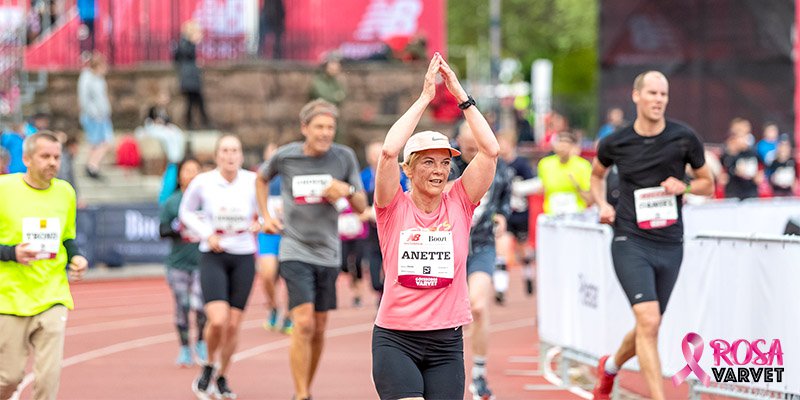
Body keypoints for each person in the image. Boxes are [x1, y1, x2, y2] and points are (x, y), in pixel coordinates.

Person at [371, 53, 498, 400]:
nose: (439, 170)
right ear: (409, 169)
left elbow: (490, 150)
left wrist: (461, 95)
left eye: (444, 162)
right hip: (396, 340)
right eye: (428, 162)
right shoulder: (392, 206)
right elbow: (387, 152)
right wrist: (425, 97)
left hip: (446, 344)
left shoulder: (459, 200)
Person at [589, 71, 714, 400]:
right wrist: (602, 204)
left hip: (670, 243)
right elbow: (597, 176)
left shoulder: (684, 138)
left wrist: (684, 185)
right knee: (648, 318)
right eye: (653, 93)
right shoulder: (616, 141)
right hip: (629, 238)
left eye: (663, 94)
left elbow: (708, 184)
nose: (659, 99)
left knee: (650, 323)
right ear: (636, 96)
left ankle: (610, 367)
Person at [256, 99, 367, 400]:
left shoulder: (344, 157)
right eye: (319, 127)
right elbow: (261, 178)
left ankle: (307, 386)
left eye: (330, 127)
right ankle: (301, 394)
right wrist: (266, 216)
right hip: (294, 248)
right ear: (304, 128)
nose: (325, 133)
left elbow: (362, 206)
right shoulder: (286, 156)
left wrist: (347, 190)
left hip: (328, 252)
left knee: (318, 327)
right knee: (302, 322)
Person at [0, 132, 88, 400]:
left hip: (53, 294)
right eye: (45, 156)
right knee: (10, 378)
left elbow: (67, 236)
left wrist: (76, 257)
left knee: (48, 379)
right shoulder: (4, 190)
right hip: (10, 297)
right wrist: (12, 253)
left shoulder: (65, 192)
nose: (52, 162)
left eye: (57, 157)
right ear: (26, 159)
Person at [180, 135, 259, 399]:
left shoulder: (252, 181)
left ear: (241, 155)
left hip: (244, 256)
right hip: (214, 256)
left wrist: (262, 222)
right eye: (225, 150)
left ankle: (222, 375)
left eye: (235, 150)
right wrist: (206, 233)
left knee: (234, 325)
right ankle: (209, 365)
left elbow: (268, 210)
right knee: (217, 320)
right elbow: (186, 212)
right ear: (217, 155)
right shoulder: (204, 182)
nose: (230, 155)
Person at [447, 121, 511, 400]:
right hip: (446, 248)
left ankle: (480, 374)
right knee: (447, 316)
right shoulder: (447, 166)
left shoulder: (498, 169)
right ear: (458, 143)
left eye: (477, 147)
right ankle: (446, 369)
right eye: (467, 148)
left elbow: (505, 200)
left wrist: (502, 217)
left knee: (479, 306)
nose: (472, 153)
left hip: (482, 245)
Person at [159, 158, 208, 367]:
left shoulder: (207, 200)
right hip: (178, 264)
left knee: (201, 306)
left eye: (196, 171)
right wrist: (178, 227)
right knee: (183, 305)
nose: (191, 175)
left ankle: (201, 342)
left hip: (203, 263)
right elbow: (162, 230)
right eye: (187, 171)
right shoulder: (172, 202)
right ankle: (184, 348)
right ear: (180, 176)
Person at [257, 144, 292, 334]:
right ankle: (273, 306)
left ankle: (288, 316)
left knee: (290, 278)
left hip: (289, 233)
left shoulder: (291, 174)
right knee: (267, 274)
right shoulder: (260, 178)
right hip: (268, 233)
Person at [538, 130, 593, 215]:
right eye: (560, 142)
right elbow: (540, 189)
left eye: (566, 144)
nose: (563, 147)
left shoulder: (583, 166)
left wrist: (577, 186)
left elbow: (590, 199)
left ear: (573, 147)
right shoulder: (545, 164)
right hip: (552, 216)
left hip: (575, 216)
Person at [77, 52, 113, 180]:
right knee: (104, 142)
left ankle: (92, 166)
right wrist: (93, 113)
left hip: (102, 116)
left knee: (97, 143)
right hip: (94, 117)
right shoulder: (87, 78)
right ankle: (92, 166)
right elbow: (84, 99)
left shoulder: (99, 78)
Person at [174, 21, 211, 130]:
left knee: (194, 102)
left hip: (189, 78)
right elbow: (182, 57)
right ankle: (202, 123)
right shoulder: (186, 44)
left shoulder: (184, 44)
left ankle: (194, 124)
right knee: (196, 101)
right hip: (189, 79)